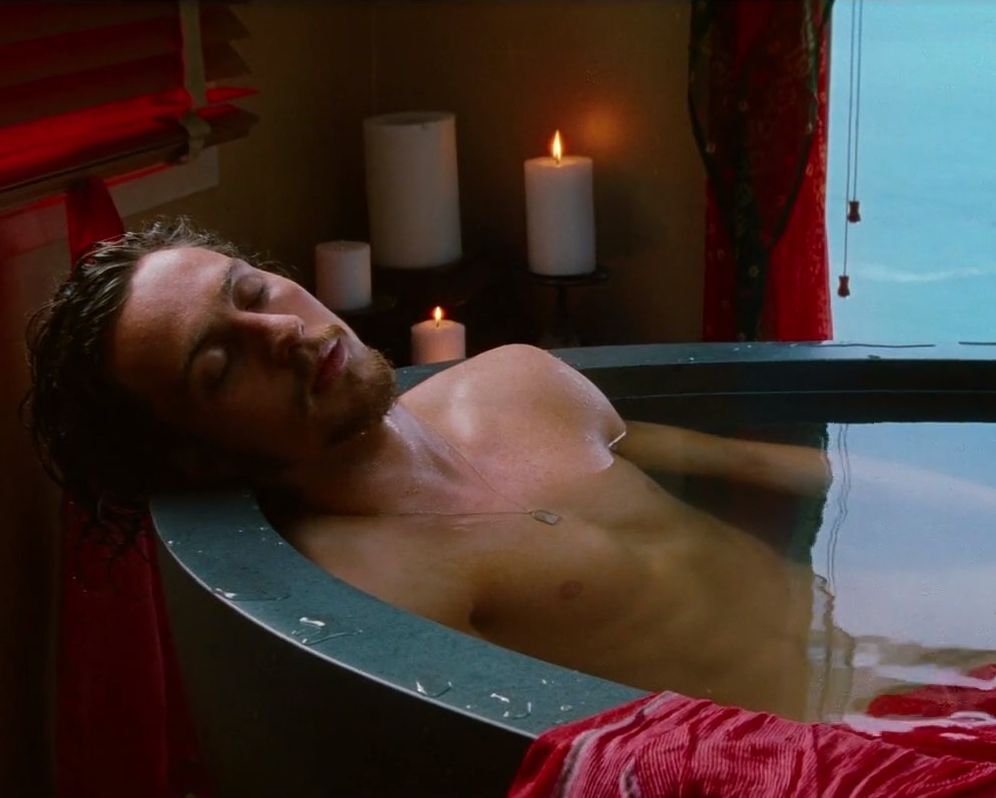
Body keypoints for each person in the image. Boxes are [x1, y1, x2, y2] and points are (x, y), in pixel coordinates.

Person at [26, 217, 833, 719]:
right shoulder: (378, 584)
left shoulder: (520, 377)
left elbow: (758, 462)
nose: (281, 333)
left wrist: (920, 503)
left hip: (863, 665)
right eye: (220, 365)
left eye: (255, 293)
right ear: (196, 455)